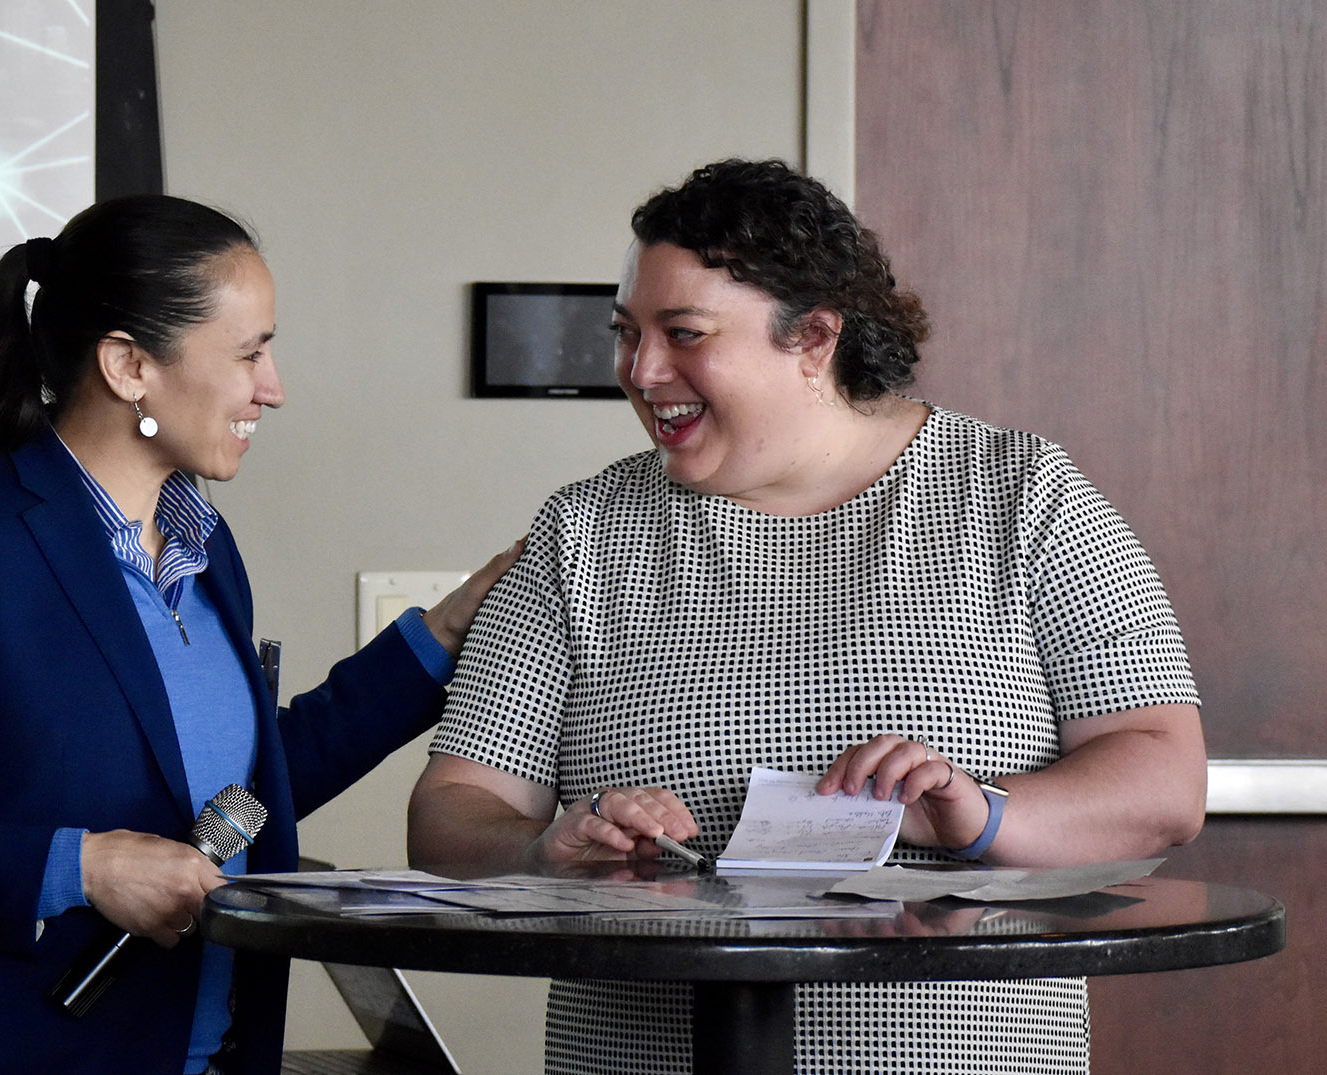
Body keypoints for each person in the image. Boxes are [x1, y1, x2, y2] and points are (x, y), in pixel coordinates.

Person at [407, 159, 1206, 1075]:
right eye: (627, 333)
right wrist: (545, 851)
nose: (640, 371)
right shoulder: (581, 532)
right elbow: (451, 813)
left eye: (685, 333)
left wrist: (977, 817)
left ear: (816, 337)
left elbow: (1162, 787)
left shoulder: (1021, 497)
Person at [0, 194, 520, 1075]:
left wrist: (442, 631)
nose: (272, 388)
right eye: (249, 353)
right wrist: (78, 868)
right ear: (129, 364)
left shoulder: (207, 549)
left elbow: (238, 794)